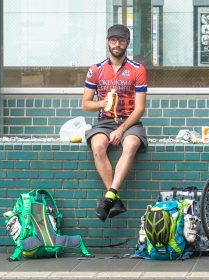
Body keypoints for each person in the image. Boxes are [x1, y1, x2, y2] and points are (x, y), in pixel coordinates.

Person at [83, 24, 150, 221]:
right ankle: (114, 198)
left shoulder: (138, 69)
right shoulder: (95, 70)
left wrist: (122, 129)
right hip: (104, 121)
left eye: (121, 40)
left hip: (129, 122)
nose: (117, 44)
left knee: (130, 145)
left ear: (127, 43)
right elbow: (86, 105)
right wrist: (102, 103)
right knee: (97, 146)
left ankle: (109, 195)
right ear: (107, 42)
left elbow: (140, 109)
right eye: (113, 40)